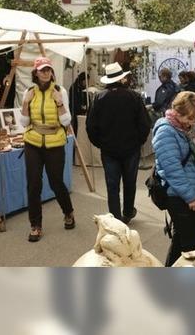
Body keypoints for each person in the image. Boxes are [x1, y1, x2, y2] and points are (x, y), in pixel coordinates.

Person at [152, 92, 195, 266]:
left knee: (181, 240)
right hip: (177, 196)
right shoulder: (166, 131)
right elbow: (172, 170)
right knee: (193, 245)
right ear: (177, 113)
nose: (193, 122)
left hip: (187, 194)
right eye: (190, 118)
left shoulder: (186, 129)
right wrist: (190, 197)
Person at [87, 62, 151, 223]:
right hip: (131, 148)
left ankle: (115, 218)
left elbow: (90, 126)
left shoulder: (99, 98)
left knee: (112, 185)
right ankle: (128, 212)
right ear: (122, 78)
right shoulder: (134, 97)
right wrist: (139, 142)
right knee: (130, 182)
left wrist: (100, 143)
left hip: (109, 149)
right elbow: (144, 124)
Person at [21, 57, 75, 242]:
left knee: (56, 182)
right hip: (33, 142)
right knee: (33, 184)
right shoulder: (29, 92)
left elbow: (66, 122)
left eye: (48, 70)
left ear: (52, 72)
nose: (46, 73)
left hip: (55, 142)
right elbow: (24, 122)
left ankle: (68, 212)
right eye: (42, 70)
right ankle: (35, 225)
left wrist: (59, 103)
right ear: (35, 73)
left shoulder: (61, 91)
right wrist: (25, 104)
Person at [68, 72, 88, 137]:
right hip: (74, 112)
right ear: (83, 80)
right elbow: (74, 101)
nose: (87, 83)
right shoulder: (74, 87)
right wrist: (81, 107)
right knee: (75, 128)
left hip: (81, 112)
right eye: (86, 80)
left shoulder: (84, 88)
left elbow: (86, 99)